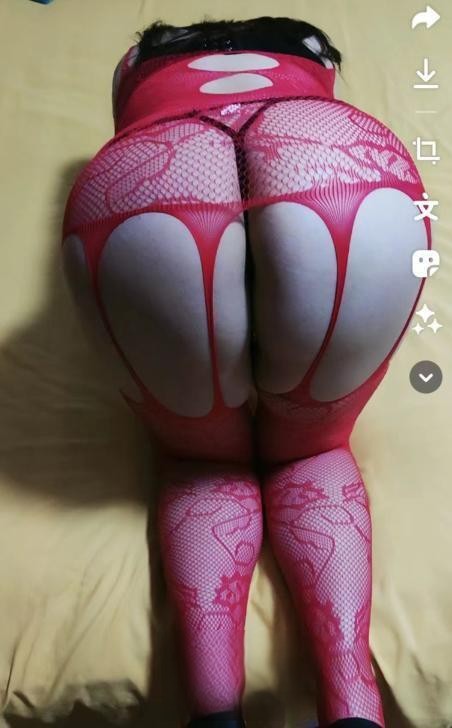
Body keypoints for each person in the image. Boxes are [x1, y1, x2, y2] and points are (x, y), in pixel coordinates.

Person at [61, 16, 431, 728]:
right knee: (313, 449)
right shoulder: (313, 44)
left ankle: (213, 712)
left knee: (201, 461)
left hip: (155, 177)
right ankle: (353, 702)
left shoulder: (136, 58)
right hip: (334, 164)